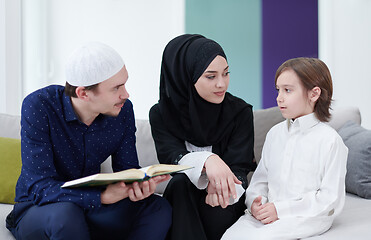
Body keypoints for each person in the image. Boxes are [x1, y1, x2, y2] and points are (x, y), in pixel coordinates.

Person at [6, 42, 172, 240]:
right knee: (66, 215)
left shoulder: (123, 110)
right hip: (41, 209)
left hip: (92, 209)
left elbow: (127, 170)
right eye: (116, 88)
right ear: (83, 93)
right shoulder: (39, 106)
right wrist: (101, 197)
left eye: (124, 84)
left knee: (157, 208)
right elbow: (39, 187)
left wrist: (137, 186)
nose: (125, 94)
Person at [222, 57, 348, 239]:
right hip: (267, 213)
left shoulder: (330, 141)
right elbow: (260, 181)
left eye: (287, 90)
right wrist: (255, 203)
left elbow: (330, 200)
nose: (279, 97)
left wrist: (280, 209)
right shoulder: (275, 134)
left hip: (306, 217)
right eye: (278, 90)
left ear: (314, 94)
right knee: (228, 237)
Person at [149, 34, 256, 240]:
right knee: (180, 183)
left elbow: (240, 167)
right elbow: (171, 157)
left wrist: (221, 185)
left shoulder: (239, 112)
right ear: (186, 76)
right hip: (183, 198)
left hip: (226, 197)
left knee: (214, 207)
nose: (221, 84)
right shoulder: (162, 114)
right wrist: (209, 160)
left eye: (226, 73)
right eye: (211, 76)